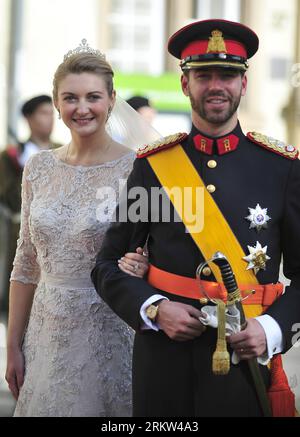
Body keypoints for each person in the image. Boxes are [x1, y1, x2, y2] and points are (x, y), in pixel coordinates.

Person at [92, 19, 300, 417]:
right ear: (186, 84)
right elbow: (106, 265)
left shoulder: (282, 168)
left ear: (244, 84)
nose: (216, 85)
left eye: (227, 75)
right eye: (204, 75)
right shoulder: (155, 166)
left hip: (245, 360)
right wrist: (153, 308)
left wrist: (271, 330)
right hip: (162, 362)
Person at [5, 40, 149, 417]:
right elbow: (25, 263)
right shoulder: (37, 167)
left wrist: (143, 265)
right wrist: (13, 345)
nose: (81, 108)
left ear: (112, 100)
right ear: (56, 102)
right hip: (45, 331)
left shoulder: (137, 169)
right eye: (70, 97)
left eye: (93, 97)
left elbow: (154, 251)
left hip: (109, 329)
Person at [0, 95, 61, 318]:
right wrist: (24, 169)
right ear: (29, 118)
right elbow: (10, 199)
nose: (49, 119)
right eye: (43, 113)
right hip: (22, 234)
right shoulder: (10, 156)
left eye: (51, 113)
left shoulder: (63, 151)